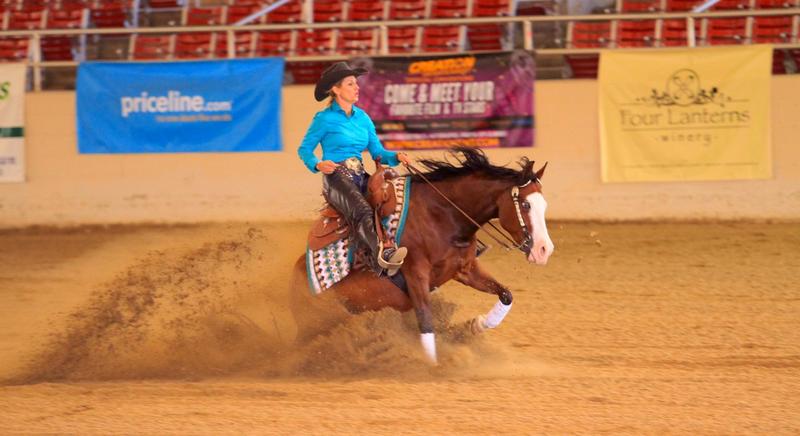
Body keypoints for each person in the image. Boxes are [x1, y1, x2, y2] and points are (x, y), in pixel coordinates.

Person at [298, 62, 411, 276]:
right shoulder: (324, 119)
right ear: (335, 89)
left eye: (356, 83)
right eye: (350, 84)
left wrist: (395, 156)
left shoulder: (363, 118)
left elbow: (378, 152)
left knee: (397, 201)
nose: (357, 87)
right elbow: (304, 149)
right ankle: (382, 257)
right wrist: (317, 164)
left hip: (360, 175)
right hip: (336, 177)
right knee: (363, 210)